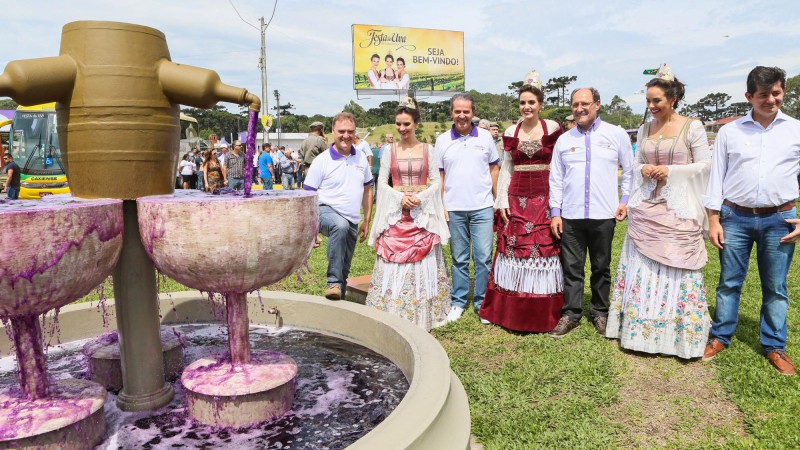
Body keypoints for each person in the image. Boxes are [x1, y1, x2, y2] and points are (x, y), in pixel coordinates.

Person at [606, 65, 712, 358]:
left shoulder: (693, 126)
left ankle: (678, 333)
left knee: (677, 266)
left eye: (657, 101)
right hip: (647, 209)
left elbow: (705, 165)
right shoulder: (644, 129)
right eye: (648, 102)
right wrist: (645, 169)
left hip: (678, 208)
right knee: (644, 268)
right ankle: (640, 331)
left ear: (673, 99)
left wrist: (671, 171)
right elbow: (635, 163)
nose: (651, 107)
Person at [702, 66, 800, 375]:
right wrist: (714, 220)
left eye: (776, 93)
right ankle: (720, 336)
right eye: (763, 95)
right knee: (729, 282)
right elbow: (716, 178)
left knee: (775, 286)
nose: (771, 100)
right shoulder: (731, 131)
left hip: (780, 219)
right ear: (749, 97)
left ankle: (774, 345)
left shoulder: (796, 130)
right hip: (735, 218)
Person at [479, 77, 565, 332]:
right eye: (522, 103)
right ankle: (511, 310)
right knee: (513, 249)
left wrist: (558, 203)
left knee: (543, 248)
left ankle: (542, 312)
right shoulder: (509, 132)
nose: (526, 107)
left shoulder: (553, 128)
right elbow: (506, 167)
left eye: (531, 102)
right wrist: (502, 200)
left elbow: (559, 166)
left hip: (545, 196)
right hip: (516, 197)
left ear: (540, 104)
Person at [549, 87, 633, 337]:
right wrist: (555, 211)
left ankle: (600, 312)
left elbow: (629, 170)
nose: (579, 109)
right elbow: (556, 177)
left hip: (603, 212)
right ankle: (571, 314)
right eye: (575, 104)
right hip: (571, 215)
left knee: (601, 266)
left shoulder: (615, 134)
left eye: (584, 103)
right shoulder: (564, 140)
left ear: (597, 104)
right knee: (572, 267)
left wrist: (625, 200)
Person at [367, 98, 451, 331]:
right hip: (398, 211)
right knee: (393, 258)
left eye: (406, 124)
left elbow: (436, 181)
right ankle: (393, 309)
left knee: (423, 259)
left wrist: (421, 198)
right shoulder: (389, 151)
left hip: (420, 212)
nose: (402, 129)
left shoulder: (428, 149)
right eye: (398, 124)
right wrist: (399, 197)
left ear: (416, 123)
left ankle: (423, 311)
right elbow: (382, 183)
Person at [437, 93, 500, 323]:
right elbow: (440, 175)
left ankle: (482, 302)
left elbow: (494, 170)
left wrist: (497, 200)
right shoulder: (442, 140)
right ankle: (458, 301)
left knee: (483, 257)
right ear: (451, 113)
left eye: (466, 111)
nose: (462, 115)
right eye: (457, 111)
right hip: (454, 208)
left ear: (472, 113)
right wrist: (442, 205)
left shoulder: (485, 137)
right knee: (460, 258)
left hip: (483, 206)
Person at [304, 112, 373, 300]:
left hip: (351, 217)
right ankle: (332, 282)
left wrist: (366, 220)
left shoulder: (360, 159)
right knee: (339, 226)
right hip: (325, 210)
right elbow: (307, 195)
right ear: (333, 131)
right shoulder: (322, 161)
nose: (346, 135)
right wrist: (311, 229)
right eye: (341, 131)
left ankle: (338, 296)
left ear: (355, 132)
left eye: (350, 131)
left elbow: (368, 189)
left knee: (345, 265)